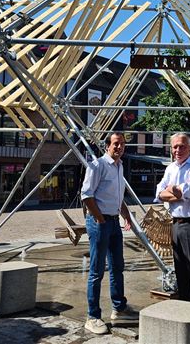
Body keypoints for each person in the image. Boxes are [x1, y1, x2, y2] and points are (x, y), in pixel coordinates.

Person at [81, 132, 137, 335]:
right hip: (101, 222)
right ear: (107, 146)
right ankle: (92, 316)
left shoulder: (119, 166)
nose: (119, 147)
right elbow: (86, 195)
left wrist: (126, 217)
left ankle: (119, 308)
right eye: (115, 144)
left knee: (117, 267)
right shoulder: (98, 165)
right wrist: (100, 219)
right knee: (97, 271)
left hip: (114, 222)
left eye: (122, 144)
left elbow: (118, 198)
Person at [155, 133, 190, 304]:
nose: (178, 150)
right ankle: (186, 309)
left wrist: (173, 191)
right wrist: (175, 192)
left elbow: (189, 191)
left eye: (182, 146)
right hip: (176, 224)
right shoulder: (170, 168)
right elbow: (159, 194)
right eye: (175, 147)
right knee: (181, 271)